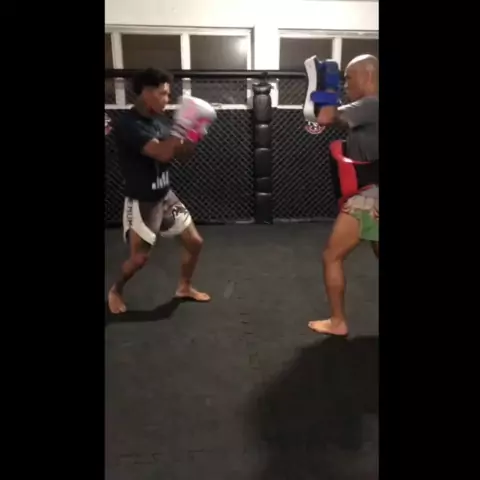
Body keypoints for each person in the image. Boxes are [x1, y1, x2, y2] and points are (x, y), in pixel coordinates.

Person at [107, 68, 217, 314]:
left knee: (195, 242)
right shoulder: (129, 124)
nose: (167, 100)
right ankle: (116, 290)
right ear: (145, 92)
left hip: (165, 196)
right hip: (143, 201)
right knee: (139, 259)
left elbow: (182, 156)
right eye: (163, 94)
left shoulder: (161, 121)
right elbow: (161, 153)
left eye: (168, 94)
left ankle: (184, 287)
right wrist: (181, 128)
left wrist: (194, 134)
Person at [303, 54, 379, 336]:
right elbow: (323, 120)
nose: (346, 85)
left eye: (349, 78)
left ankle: (338, 322)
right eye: (343, 80)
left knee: (332, 256)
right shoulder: (368, 109)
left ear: (368, 76)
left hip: (370, 196)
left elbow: (324, 117)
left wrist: (327, 87)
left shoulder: (370, 104)